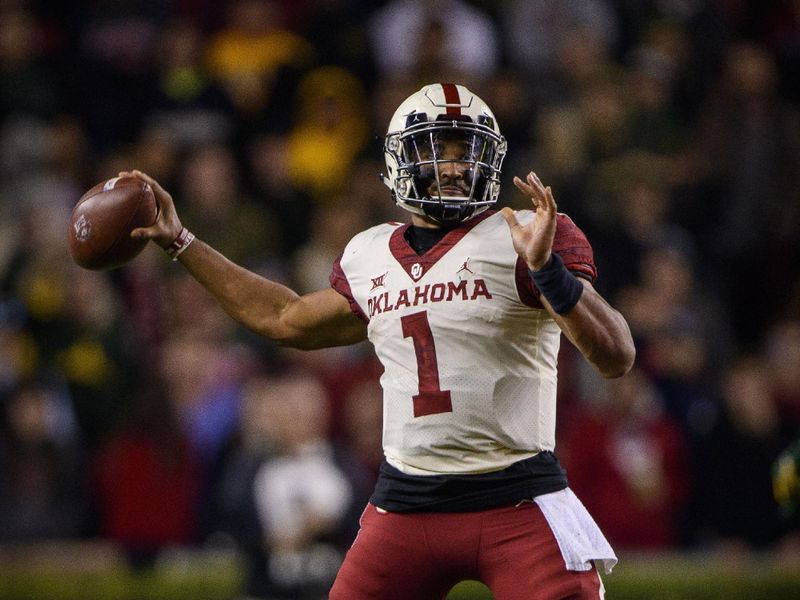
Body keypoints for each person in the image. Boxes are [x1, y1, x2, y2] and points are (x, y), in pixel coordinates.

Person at [122, 83, 635, 600]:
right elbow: (283, 317)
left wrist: (549, 272)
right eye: (437, 150)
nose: (454, 167)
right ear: (398, 163)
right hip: (408, 503)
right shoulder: (370, 254)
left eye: (466, 151)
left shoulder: (528, 234)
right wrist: (181, 241)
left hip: (517, 496)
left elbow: (616, 355)